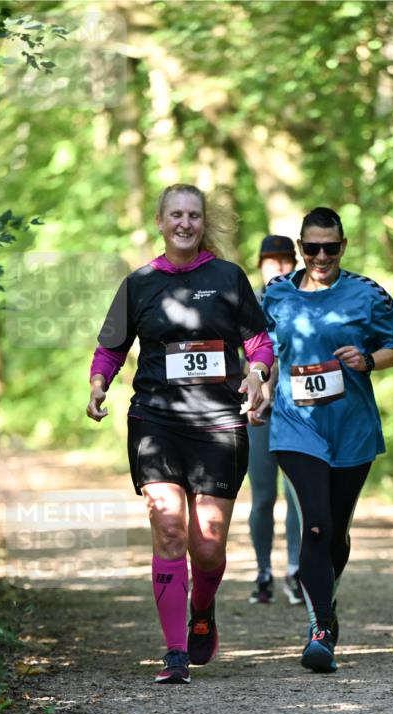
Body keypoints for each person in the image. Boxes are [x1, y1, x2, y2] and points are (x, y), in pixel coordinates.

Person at [86, 184, 273, 683]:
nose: (184, 223)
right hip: (156, 420)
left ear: (202, 221)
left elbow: (259, 343)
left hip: (218, 424)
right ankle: (174, 652)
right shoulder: (140, 283)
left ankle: (203, 610)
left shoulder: (228, 277)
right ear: (160, 220)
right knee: (169, 527)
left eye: (193, 215)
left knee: (207, 544)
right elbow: (110, 347)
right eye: (176, 215)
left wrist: (257, 374)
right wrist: (99, 384)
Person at [262, 206, 393, 673]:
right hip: (295, 424)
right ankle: (321, 629)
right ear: (300, 248)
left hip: (351, 426)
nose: (321, 255)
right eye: (312, 248)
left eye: (330, 247)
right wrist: (259, 384)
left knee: (337, 531)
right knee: (317, 524)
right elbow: (260, 350)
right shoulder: (276, 295)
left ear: (342, 246)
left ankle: (326, 596)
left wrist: (366, 360)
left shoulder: (367, 294)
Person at [246, 235, 302, 606]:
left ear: (294, 264)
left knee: (297, 496)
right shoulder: (245, 303)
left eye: (285, 261)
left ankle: (296, 570)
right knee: (263, 496)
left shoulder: (305, 302)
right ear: (261, 265)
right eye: (271, 261)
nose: (278, 267)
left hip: (299, 414)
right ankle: (263, 571)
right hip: (258, 415)